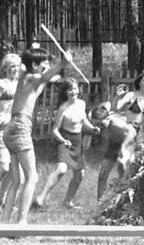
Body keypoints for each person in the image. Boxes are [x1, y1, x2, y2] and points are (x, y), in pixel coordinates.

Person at [1, 46, 71, 224]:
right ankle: (21, 222)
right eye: (45, 63)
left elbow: (43, 81)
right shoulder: (31, 77)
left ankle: (4, 222)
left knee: (18, 180)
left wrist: (48, 67)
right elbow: (45, 77)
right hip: (20, 128)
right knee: (32, 177)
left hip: (11, 129)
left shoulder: (26, 79)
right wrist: (63, 62)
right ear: (34, 64)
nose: (48, 65)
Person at [32, 79, 101, 209]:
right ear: (65, 92)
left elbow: (83, 119)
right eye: (70, 89)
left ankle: (68, 202)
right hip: (65, 140)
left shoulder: (81, 103)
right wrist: (63, 141)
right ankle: (39, 199)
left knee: (80, 174)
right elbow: (54, 130)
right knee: (61, 170)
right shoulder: (62, 109)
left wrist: (92, 128)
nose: (73, 91)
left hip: (77, 141)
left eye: (75, 88)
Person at [96, 71, 144, 200]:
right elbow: (116, 108)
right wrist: (117, 96)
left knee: (125, 166)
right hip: (120, 133)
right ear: (139, 82)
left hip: (136, 137)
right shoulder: (131, 95)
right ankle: (99, 201)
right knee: (104, 172)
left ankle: (120, 197)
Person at [0, 53, 22, 208]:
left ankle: (3, 199)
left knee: (14, 171)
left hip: (16, 130)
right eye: (12, 66)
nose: (15, 69)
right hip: (1, 129)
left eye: (17, 66)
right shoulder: (1, 84)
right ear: (6, 68)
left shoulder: (21, 84)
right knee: (4, 167)